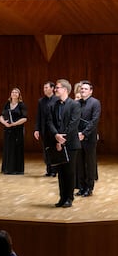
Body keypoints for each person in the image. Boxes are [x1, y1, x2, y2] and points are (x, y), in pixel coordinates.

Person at [47, 79, 81, 208]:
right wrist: (56, 136)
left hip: (70, 143)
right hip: (57, 142)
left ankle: (69, 198)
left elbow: (73, 123)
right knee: (60, 172)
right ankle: (62, 197)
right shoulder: (53, 105)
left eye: (57, 87)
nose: (55, 89)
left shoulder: (74, 105)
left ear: (65, 90)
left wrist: (63, 138)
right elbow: (50, 122)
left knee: (69, 172)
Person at [75, 81, 101, 197]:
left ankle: (89, 188)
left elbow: (94, 121)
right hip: (77, 137)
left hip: (89, 138)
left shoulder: (95, 103)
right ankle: (81, 187)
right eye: (82, 89)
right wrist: (77, 133)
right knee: (80, 164)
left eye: (85, 89)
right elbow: (74, 119)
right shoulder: (77, 103)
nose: (83, 90)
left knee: (89, 164)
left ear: (90, 91)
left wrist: (84, 133)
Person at [0, 88, 27, 175]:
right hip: (8, 129)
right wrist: (4, 122)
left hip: (17, 130)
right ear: (10, 94)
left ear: (19, 95)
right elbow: (1, 116)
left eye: (16, 92)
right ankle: (7, 169)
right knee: (8, 148)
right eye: (12, 92)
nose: (14, 93)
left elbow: (24, 118)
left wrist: (14, 124)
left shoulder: (22, 105)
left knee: (17, 149)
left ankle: (17, 169)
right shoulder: (7, 104)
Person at [34, 81, 58, 177]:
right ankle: (49, 170)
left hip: (55, 130)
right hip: (44, 130)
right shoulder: (41, 101)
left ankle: (55, 170)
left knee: (54, 150)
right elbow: (38, 116)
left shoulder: (57, 100)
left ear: (52, 88)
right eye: (44, 88)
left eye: (46, 87)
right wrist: (37, 129)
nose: (44, 89)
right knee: (46, 150)